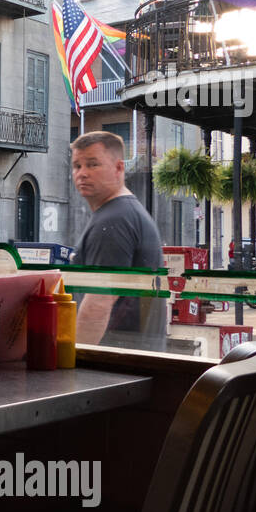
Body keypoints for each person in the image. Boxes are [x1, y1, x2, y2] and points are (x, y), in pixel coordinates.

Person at [70, 131, 167, 351]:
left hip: (118, 363)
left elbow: (98, 304)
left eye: (93, 164)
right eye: (77, 166)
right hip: (136, 359)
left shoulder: (114, 221)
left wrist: (71, 361)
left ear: (119, 168)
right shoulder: (125, 213)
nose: (82, 173)